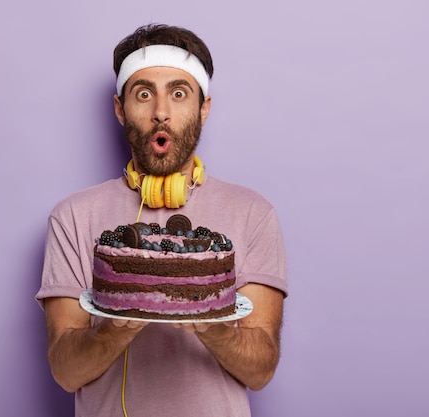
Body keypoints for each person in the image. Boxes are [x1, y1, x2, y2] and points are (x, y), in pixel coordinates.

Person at [36, 23, 288, 417]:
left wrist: (206, 317)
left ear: (203, 107)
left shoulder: (254, 213)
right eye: (143, 94)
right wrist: (124, 317)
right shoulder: (72, 216)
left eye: (179, 93)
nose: (161, 113)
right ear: (120, 109)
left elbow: (261, 370)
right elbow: (66, 373)